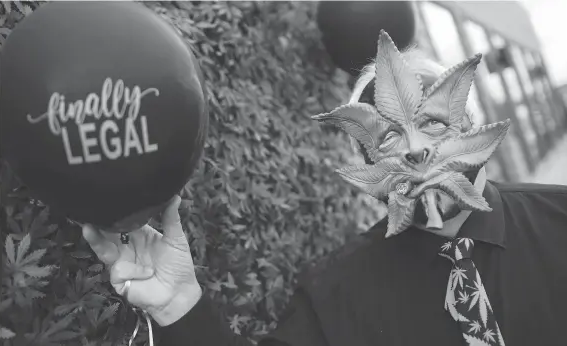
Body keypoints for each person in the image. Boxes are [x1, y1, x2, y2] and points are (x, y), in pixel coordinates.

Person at [83, 32, 567, 346]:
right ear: (366, 166)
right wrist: (178, 304)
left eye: (435, 126)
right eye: (390, 137)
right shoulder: (334, 295)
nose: (417, 151)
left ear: (476, 130)